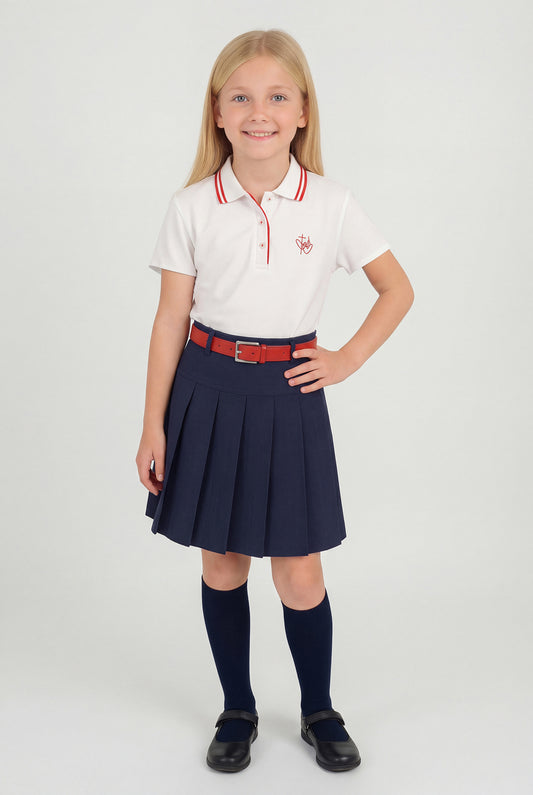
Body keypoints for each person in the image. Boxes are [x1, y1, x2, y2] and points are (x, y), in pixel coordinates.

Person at [135, 28, 414, 774]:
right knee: (223, 564)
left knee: (299, 571)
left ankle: (319, 709)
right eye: (241, 98)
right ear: (218, 113)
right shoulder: (192, 206)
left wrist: (346, 358)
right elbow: (169, 321)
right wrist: (153, 424)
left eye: (277, 97)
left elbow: (397, 289)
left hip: (288, 396)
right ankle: (237, 708)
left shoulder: (331, 203)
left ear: (301, 112)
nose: (259, 112)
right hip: (208, 391)